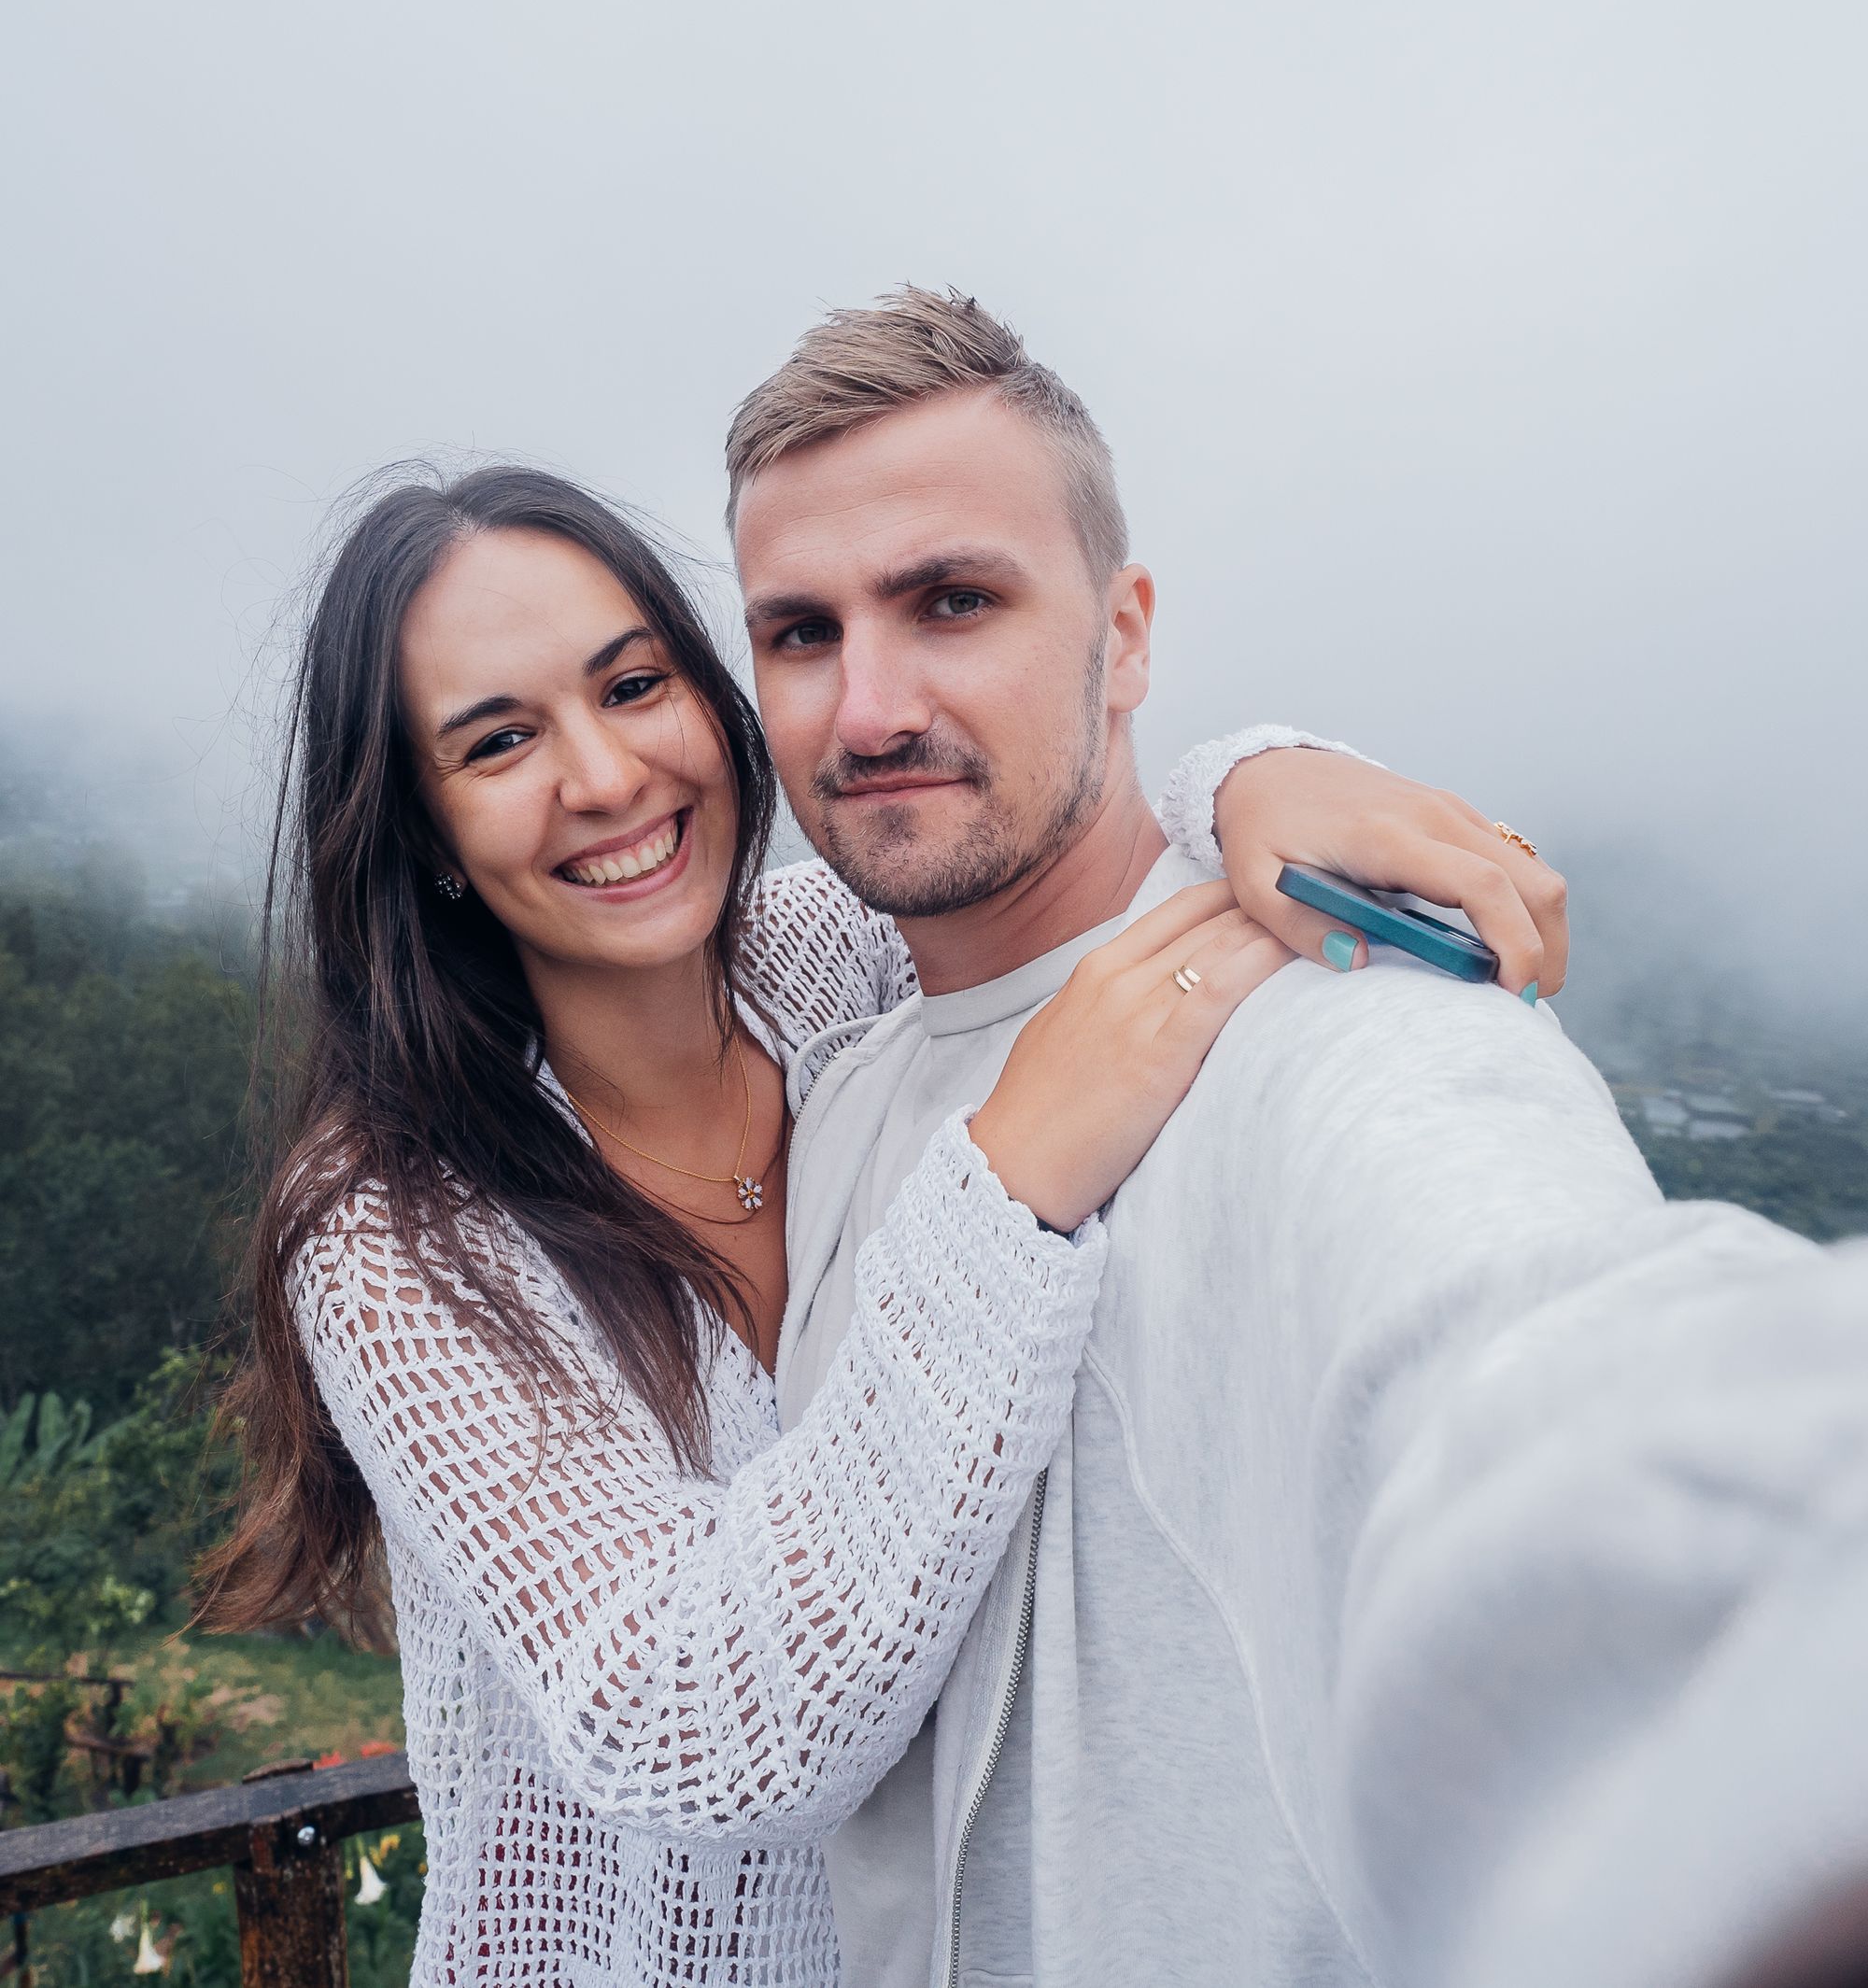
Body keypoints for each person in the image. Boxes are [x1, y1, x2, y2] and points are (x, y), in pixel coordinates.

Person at [198, 464, 1539, 1988]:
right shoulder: (394, 1231)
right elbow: (694, 1725)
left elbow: (1033, 843)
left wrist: (1253, 779)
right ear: (427, 827)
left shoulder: (833, 961)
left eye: (633, 686)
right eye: (498, 740)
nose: (605, 775)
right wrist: (1013, 1173)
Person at [729, 288, 1839, 1988]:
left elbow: (1522, 1339)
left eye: (952, 601)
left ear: (1129, 635)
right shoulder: (836, 1066)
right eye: (801, 633)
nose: (866, 708)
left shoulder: (1325, 1016)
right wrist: (1255, 769)